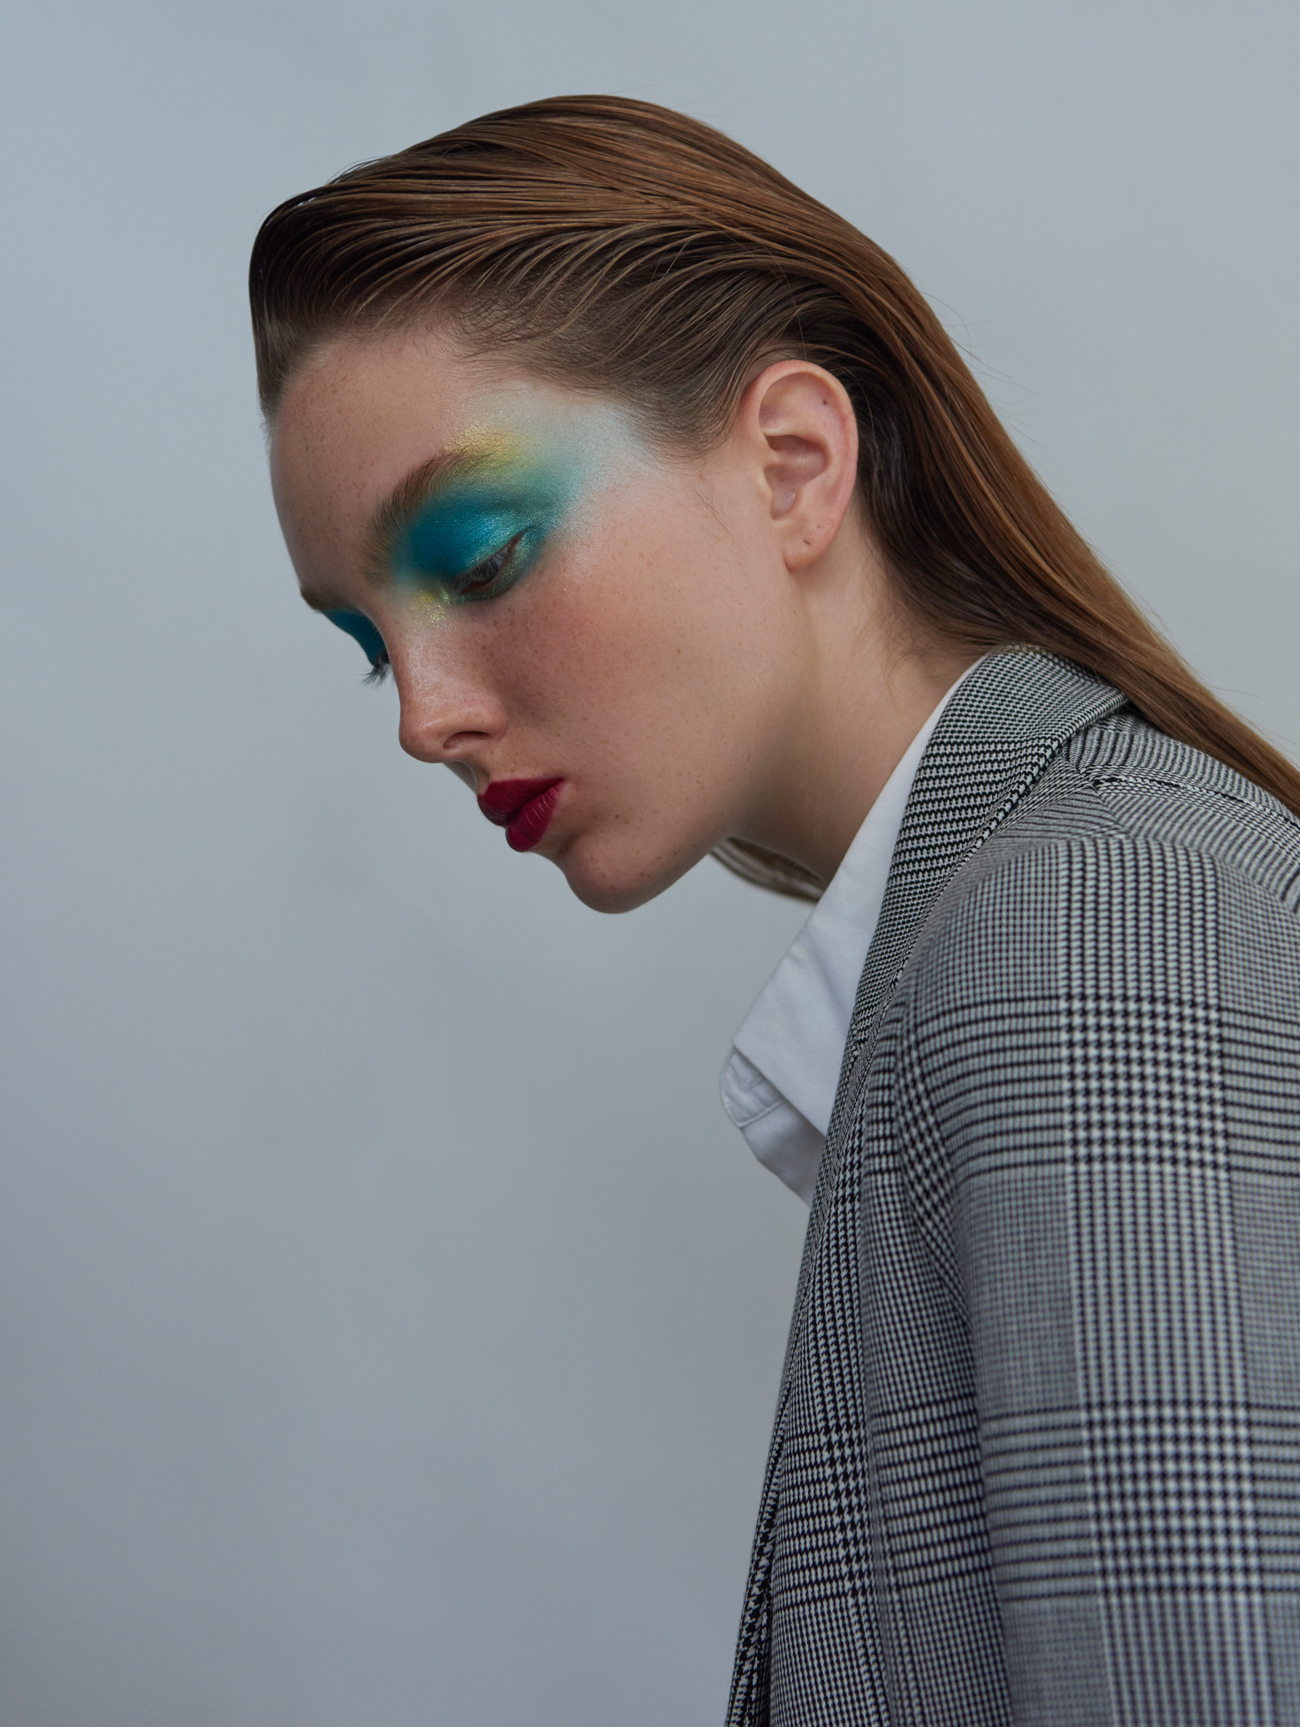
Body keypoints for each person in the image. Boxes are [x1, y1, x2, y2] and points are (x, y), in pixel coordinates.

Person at [251, 96, 1300, 1726]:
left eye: (482, 555)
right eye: (371, 642)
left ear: (793, 467)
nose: (424, 714)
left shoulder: (1094, 922)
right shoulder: (1021, 911)